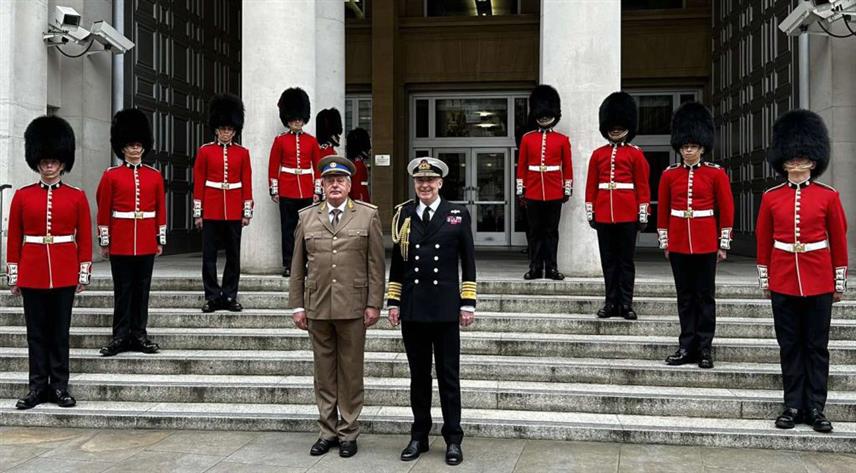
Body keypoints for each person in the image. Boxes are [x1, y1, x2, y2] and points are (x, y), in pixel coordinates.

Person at [756, 110, 847, 433]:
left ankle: (816, 407)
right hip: (783, 280)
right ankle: (792, 404)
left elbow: (838, 240)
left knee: (816, 347)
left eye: (803, 159)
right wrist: (766, 280)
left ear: (813, 161)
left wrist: (838, 281)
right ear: (782, 162)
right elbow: (764, 240)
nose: (796, 165)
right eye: (791, 159)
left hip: (819, 280)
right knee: (790, 345)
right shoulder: (771, 198)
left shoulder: (829, 197)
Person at [289, 155, 385, 458]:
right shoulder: (307, 217)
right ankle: (327, 430)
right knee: (324, 373)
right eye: (329, 180)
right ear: (322, 184)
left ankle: (348, 432)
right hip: (317, 307)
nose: (334, 185)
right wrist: (296, 306)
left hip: (354, 307)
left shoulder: (367, 216)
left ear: (349, 185)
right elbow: (297, 268)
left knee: (351, 372)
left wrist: (374, 304)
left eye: (340, 180)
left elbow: (376, 266)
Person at [387, 157, 476, 466]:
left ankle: (453, 438)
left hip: (446, 309)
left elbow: (469, 262)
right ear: (415, 184)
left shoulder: (457, 214)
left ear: (440, 183)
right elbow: (397, 264)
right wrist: (394, 302)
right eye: (419, 181)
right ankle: (419, 435)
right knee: (418, 377)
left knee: (449, 377)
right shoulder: (404, 214)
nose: (424, 185)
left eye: (430, 181)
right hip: (414, 308)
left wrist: (468, 303)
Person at [6, 115, 92, 409]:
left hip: (65, 273)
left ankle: (59, 387)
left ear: (62, 162)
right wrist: (14, 274)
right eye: (44, 161)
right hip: (32, 273)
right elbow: (14, 238)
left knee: (60, 334)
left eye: (54, 161)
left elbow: (85, 239)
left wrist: (83, 272)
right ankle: (36, 387)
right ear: (37, 162)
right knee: (36, 335)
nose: (49, 166)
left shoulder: (76, 197)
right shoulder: (22, 196)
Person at [658, 102, 734, 369]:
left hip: (705, 243)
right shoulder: (669, 175)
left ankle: (704, 348)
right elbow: (664, 211)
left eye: (693, 146)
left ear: (702, 147)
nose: (688, 150)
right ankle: (685, 345)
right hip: (679, 242)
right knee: (685, 297)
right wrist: (665, 242)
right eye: (685, 146)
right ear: (679, 147)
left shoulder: (716, 173)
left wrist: (722, 244)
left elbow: (726, 209)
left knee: (704, 297)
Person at [97, 108, 165, 356]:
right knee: (122, 290)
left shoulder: (154, 176)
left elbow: (160, 209)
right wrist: (105, 241)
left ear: (144, 147)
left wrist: (160, 239)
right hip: (122, 241)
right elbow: (103, 209)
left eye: (138, 145)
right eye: (130, 145)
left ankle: (139, 334)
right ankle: (120, 336)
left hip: (146, 240)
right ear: (122, 148)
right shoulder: (111, 176)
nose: (135, 149)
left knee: (142, 290)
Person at [585, 92, 650, 320]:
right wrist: (591, 212)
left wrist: (642, 214)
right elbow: (591, 186)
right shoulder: (598, 155)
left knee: (625, 263)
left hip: (627, 215)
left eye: (619, 125)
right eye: (611, 125)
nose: (615, 129)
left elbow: (642, 186)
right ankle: (610, 303)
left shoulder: (635, 155)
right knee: (609, 263)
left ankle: (626, 303)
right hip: (604, 214)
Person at [192, 94, 253, 313]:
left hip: (234, 210)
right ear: (216, 130)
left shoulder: (242, 153)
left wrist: (246, 212)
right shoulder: (205, 151)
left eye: (230, 129)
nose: (226, 133)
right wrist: (198, 213)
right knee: (209, 257)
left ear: (235, 131)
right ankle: (211, 295)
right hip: (211, 210)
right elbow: (199, 182)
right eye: (223, 129)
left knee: (233, 257)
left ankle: (229, 295)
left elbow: (246, 182)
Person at [515, 84, 572, 280]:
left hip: (554, 190)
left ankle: (552, 268)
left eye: (548, 114)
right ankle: (535, 267)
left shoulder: (562, 140)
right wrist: (521, 190)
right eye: (541, 114)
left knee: (551, 232)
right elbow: (521, 166)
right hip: (533, 191)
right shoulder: (527, 139)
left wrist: (567, 189)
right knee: (535, 232)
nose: (545, 117)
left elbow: (567, 167)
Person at [269, 87, 322, 277]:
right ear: (288, 119)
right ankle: (289, 264)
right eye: (293, 119)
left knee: (307, 230)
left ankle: (306, 263)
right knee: (288, 228)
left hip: (307, 190)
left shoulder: (311, 141)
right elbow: (273, 166)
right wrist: (275, 190)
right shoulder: (280, 141)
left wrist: (317, 191)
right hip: (287, 189)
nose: (297, 122)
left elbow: (318, 168)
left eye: (299, 118)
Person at [345, 127, 371, 202]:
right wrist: (358, 200)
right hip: (360, 197)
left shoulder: (357, 163)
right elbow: (357, 185)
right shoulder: (358, 164)